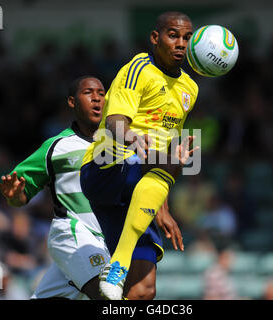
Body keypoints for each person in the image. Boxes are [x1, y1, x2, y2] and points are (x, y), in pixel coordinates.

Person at [0, 76, 183, 300]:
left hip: (108, 241)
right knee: (109, 295)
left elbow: (146, 180)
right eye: (88, 93)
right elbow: (20, 194)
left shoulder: (126, 144)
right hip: (73, 233)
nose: (97, 99)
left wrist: (162, 208)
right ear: (72, 102)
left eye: (102, 94)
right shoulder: (55, 147)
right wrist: (15, 196)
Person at [80, 11, 199, 299]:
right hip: (106, 164)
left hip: (141, 184)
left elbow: (167, 147)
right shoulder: (138, 69)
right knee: (171, 162)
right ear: (155, 38)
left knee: (143, 291)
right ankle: (118, 264)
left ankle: (118, 270)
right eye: (173, 35)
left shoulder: (190, 89)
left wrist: (163, 207)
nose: (181, 43)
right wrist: (131, 136)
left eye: (186, 37)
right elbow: (114, 121)